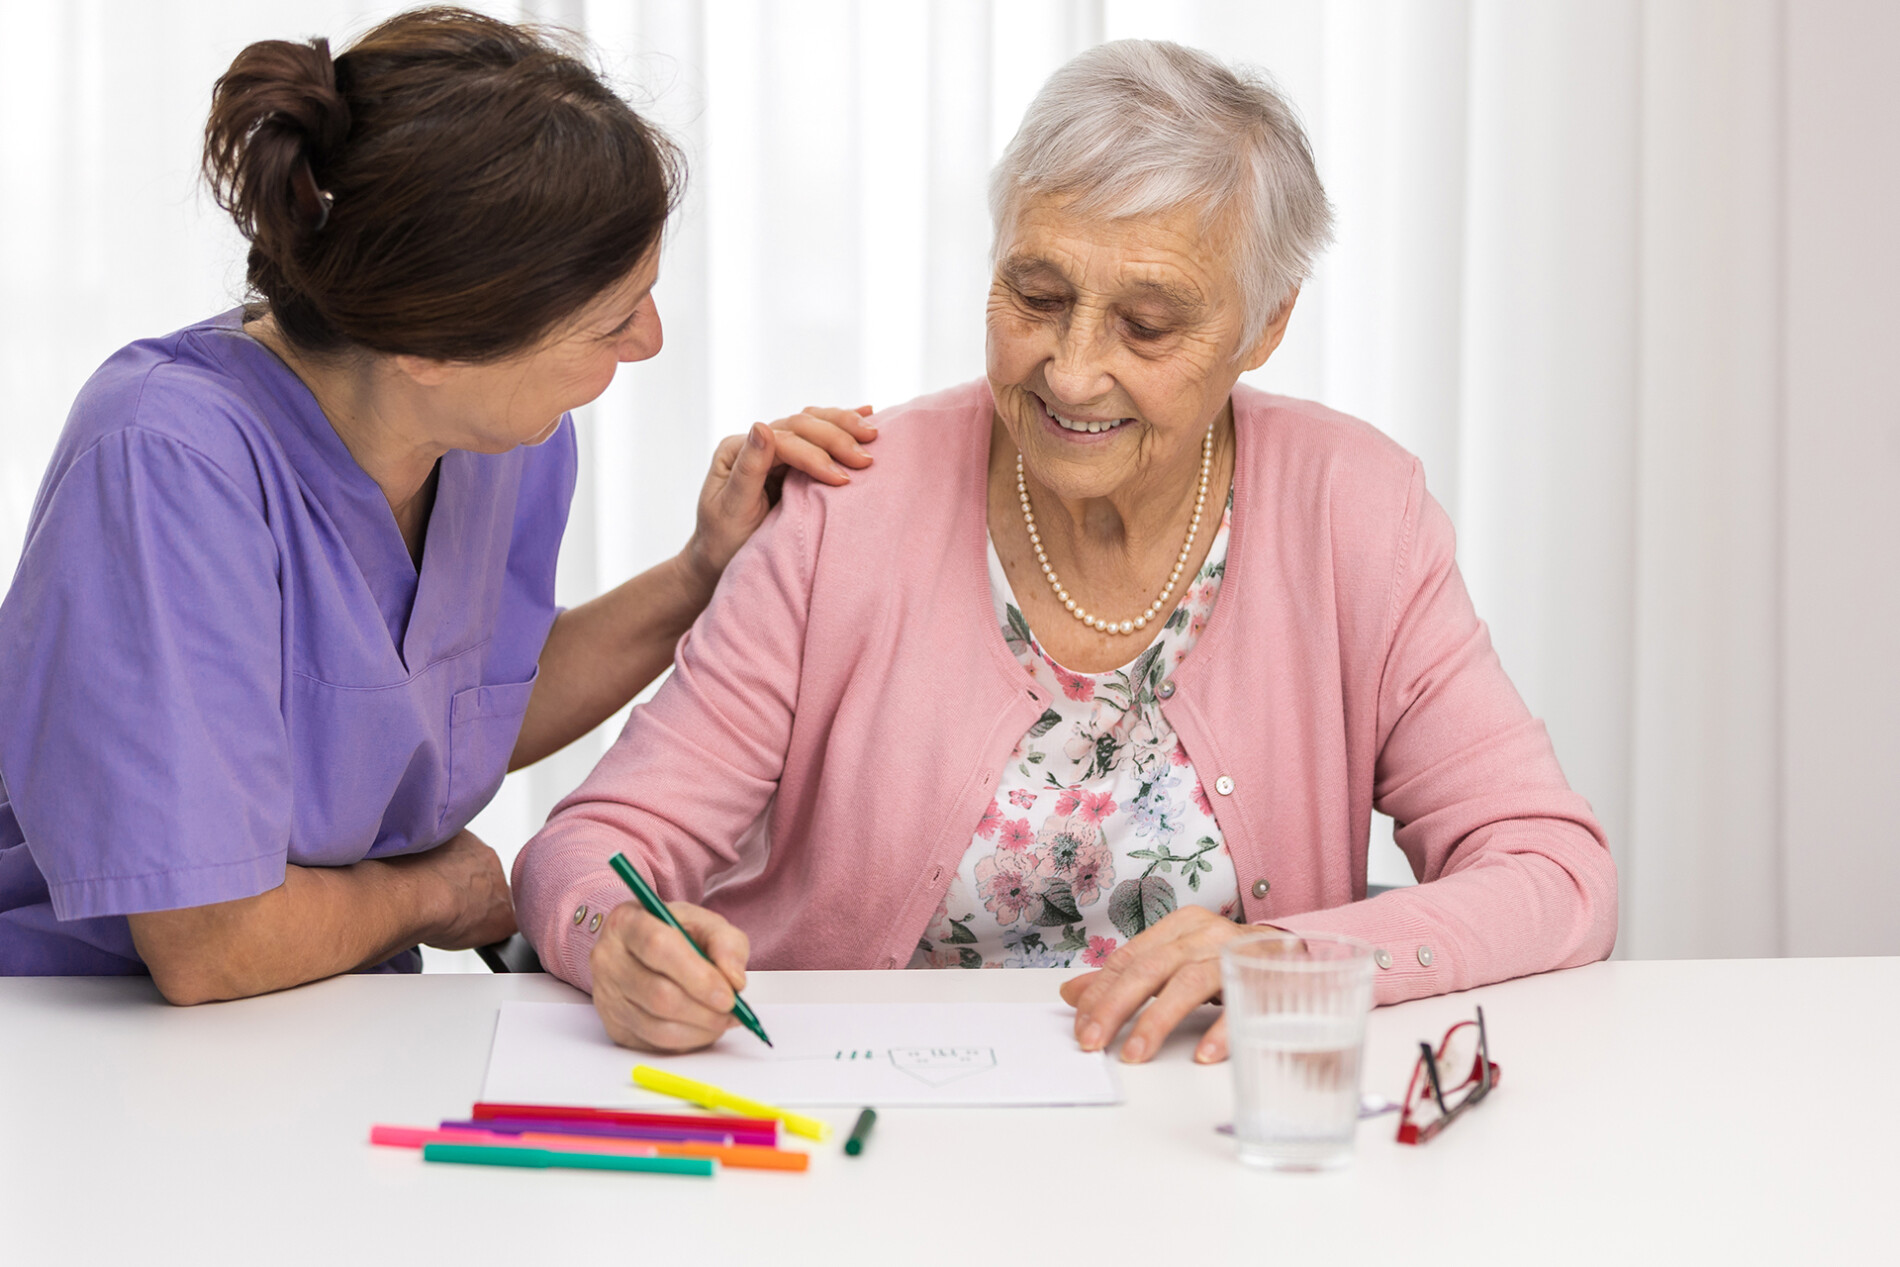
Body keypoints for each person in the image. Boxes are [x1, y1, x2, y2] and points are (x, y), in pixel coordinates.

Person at [511, 39, 1617, 1063]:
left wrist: (1303, 958)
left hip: (1210, 1137)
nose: (1073, 370)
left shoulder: (1355, 509)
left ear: (1264, 324)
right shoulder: (850, 502)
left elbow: (1555, 872)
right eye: (1035, 296)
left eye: (1147, 325)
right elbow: (597, 846)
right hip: (860, 1131)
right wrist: (615, 938)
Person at [0, 8, 876, 999]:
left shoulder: (500, 439)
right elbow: (210, 945)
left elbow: (445, 721)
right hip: (78, 1036)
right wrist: (432, 893)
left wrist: (700, 574)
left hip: (335, 1018)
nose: (651, 342)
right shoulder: (166, 464)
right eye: (612, 319)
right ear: (431, 352)